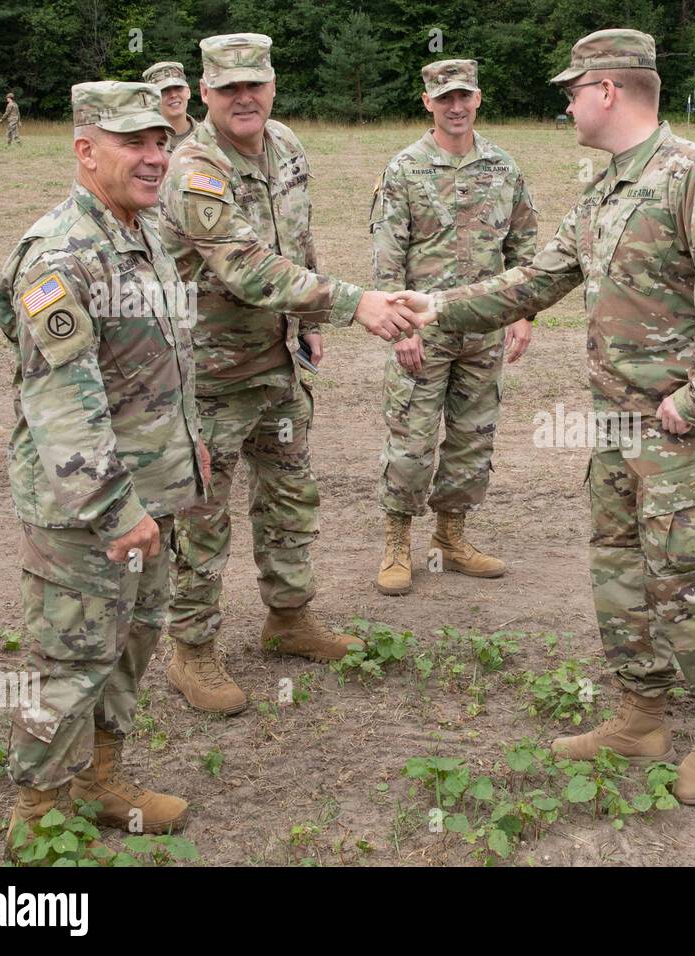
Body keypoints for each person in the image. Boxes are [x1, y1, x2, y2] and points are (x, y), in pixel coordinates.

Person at [409, 29, 695, 805]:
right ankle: (642, 711)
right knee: (617, 564)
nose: (567, 101)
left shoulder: (692, 173)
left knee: (683, 574)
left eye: (574, 89)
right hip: (615, 420)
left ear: (607, 90)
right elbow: (535, 279)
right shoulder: (606, 188)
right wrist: (434, 307)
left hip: (679, 426)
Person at [158, 33, 427, 716]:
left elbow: (297, 240)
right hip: (209, 376)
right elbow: (245, 266)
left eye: (256, 85)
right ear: (206, 93)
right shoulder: (194, 168)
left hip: (277, 366)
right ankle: (190, 648)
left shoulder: (286, 146)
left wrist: (305, 326)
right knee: (202, 518)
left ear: (272, 84)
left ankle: (288, 617)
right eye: (228, 89)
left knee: (288, 500)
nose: (244, 98)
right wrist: (351, 302)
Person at [0, 81, 207, 843]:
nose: (155, 158)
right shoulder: (62, 254)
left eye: (161, 141)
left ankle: (100, 778)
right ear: (86, 151)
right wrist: (116, 511)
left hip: (147, 499)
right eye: (134, 144)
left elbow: (154, 362)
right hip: (88, 511)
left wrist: (189, 442)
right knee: (71, 660)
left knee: (133, 639)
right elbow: (62, 408)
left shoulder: (140, 231)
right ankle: (38, 820)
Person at [370, 58, 538, 596]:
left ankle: (450, 538)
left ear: (478, 99)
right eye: (445, 98)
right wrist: (403, 330)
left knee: (472, 441)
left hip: (483, 332)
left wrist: (523, 313)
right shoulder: (404, 170)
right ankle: (398, 541)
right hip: (424, 330)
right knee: (412, 441)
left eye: (464, 96)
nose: (456, 107)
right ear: (428, 102)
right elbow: (387, 257)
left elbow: (524, 248)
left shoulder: (504, 167)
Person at [142, 61, 198, 153]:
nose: (173, 95)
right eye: (164, 91)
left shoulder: (210, 136)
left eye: (178, 88)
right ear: (152, 99)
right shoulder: (145, 144)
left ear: (188, 92)